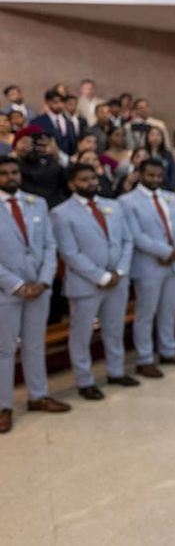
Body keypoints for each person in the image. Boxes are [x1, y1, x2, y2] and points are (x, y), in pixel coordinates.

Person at [51, 163, 137, 400]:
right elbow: (69, 253)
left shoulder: (113, 205)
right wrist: (101, 276)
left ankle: (116, 371)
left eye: (92, 178)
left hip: (117, 279)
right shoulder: (61, 212)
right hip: (86, 283)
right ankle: (85, 380)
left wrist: (120, 270)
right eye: (83, 180)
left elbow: (127, 240)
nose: (90, 183)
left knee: (114, 328)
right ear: (72, 184)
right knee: (81, 334)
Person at [0, 156, 70, 433]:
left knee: (34, 344)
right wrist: (17, 285)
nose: (10, 177)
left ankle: (38, 395)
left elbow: (49, 246)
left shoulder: (36, 203)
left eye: (14, 172)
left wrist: (43, 281)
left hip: (39, 288)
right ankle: (3, 406)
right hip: (6, 290)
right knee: (4, 350)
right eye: (3, 174)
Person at [120, 159, 175, 378]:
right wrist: (164, 251)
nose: (155, 180)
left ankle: (168, 350)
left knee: (169, 309)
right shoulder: (128, 201)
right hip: (149, 264)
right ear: (140, 174)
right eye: (150, 175)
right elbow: (135, 235)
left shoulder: (169, 197)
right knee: (146, 312)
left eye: (159, 176)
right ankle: (144, 358)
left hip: (174, 262)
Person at [14, 126, 68, 208]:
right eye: (25, 142)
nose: (31, 146)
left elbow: (71, 177)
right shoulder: (13, 165)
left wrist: (57, 154)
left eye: (34, 142)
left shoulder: (53, 163)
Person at [30, 88, 77, 157]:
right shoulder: (37, 122)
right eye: (56, 102)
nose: (60, 105)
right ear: (48, 102)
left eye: (62, 102)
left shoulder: (69, 122)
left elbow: (72, 144)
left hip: (67, 161)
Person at [145, 126, 175, 192]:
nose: (155, 137)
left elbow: (173, 173)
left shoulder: (168, 154)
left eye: (158, 135)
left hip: (165, 188)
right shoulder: (144, 153)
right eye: (152, 135)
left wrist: (171, 188)